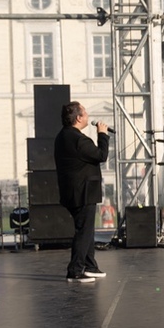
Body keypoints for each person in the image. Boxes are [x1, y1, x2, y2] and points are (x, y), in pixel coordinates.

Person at [53, 101, 109, 284]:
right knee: (84, 231)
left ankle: (90, 265)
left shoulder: (62, 137)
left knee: (86, 229)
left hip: (72, 191)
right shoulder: (79, 139)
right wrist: (102, 135)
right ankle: (75, 270)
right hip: (83, 192)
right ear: (78, 118)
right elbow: (101, 155)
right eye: (85, 113)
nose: (87, 116)